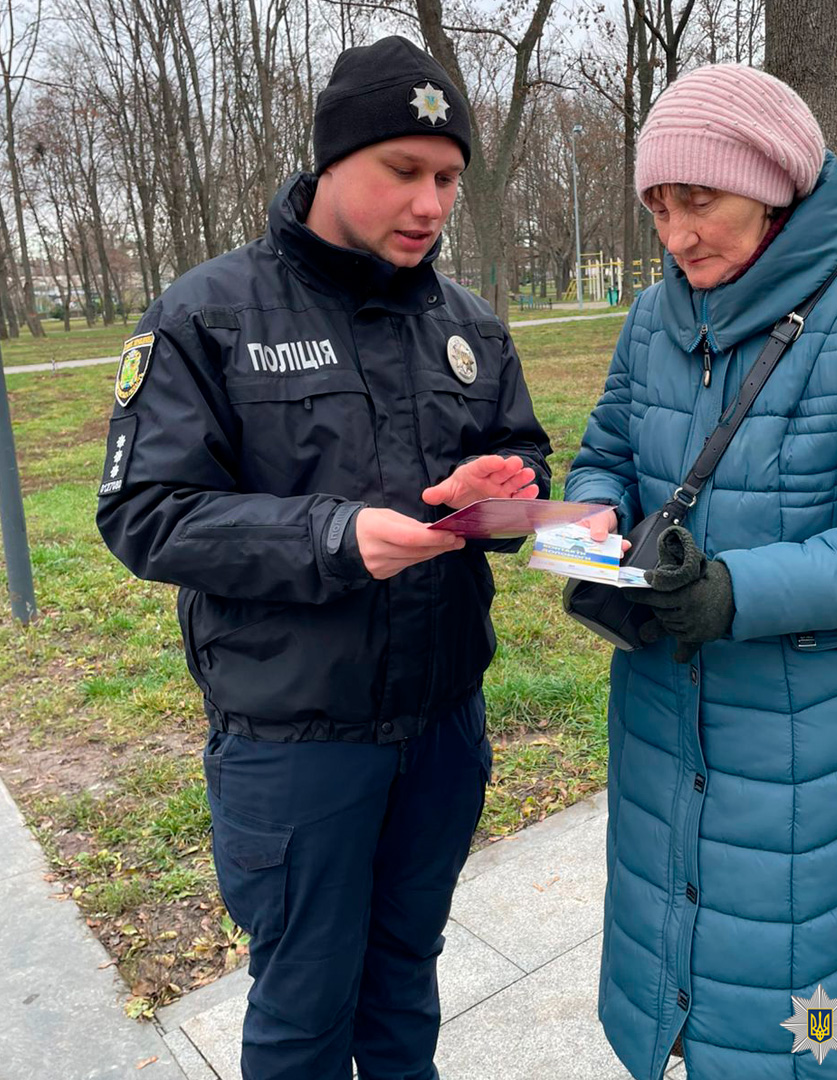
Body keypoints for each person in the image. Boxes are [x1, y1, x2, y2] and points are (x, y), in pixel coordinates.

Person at [96, 36, 550, 1080]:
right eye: (404, 170)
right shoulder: (207, 316)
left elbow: (521, 450)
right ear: (331, 160)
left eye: (447, 178)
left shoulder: (469, 325)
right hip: (297, 748)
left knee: (404, 982)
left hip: (442, 730)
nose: (432, 203)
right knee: (302, 1013)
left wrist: (504, 488)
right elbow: (145, 513)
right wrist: (334, 536)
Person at [564, 63, 837, 1080]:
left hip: (820, 759)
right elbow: (604, 450)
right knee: (689, 995)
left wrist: (735, 592)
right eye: (659, 206)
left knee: (812, 1033)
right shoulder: (650, 318)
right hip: (664, 732)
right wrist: (591, 511)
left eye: (697, 199)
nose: (675, 234)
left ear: (775, 183)